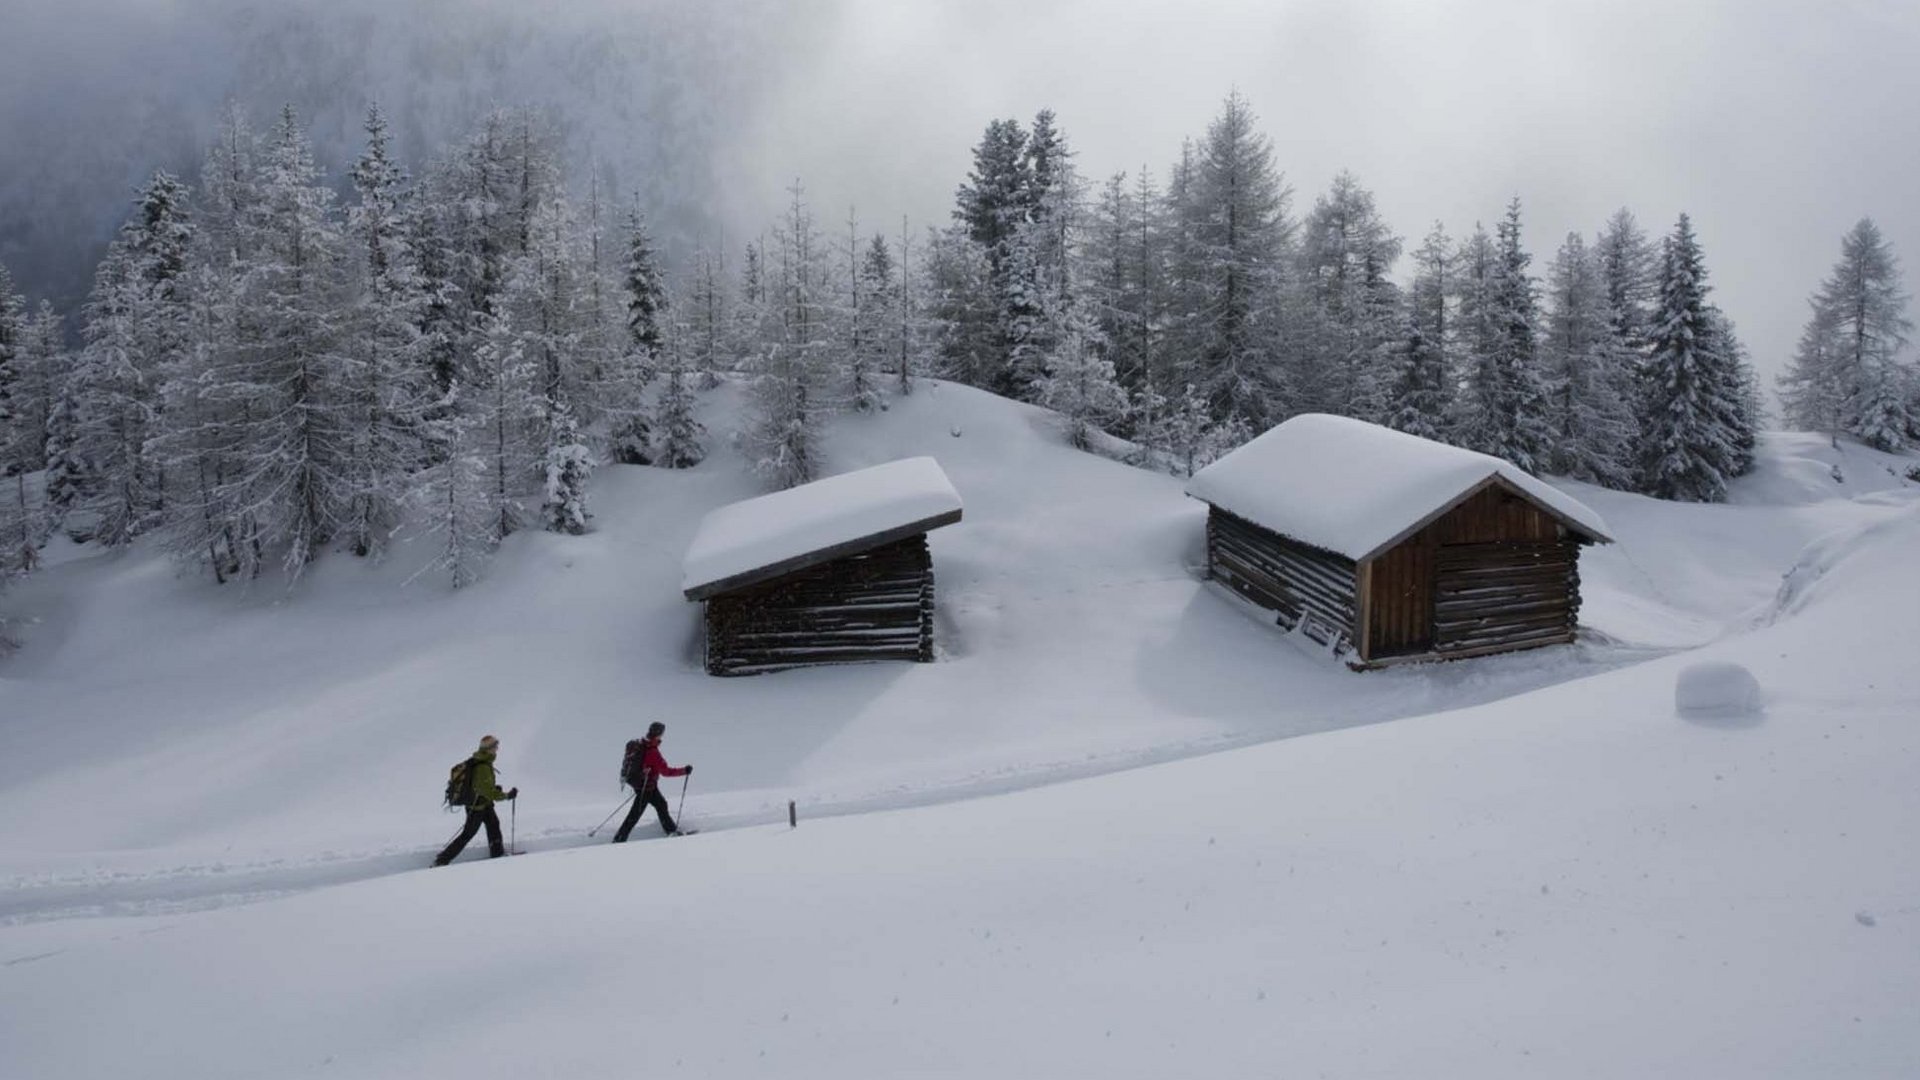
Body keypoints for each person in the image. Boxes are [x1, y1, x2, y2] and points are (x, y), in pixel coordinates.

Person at [434, 734, 519, 866]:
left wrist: (494, 789)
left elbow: (482, 786)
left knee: (494, 826)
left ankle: (497, 853)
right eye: (495, 746)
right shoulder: (482, 766)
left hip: (483, 804)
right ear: (489, 749)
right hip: (477, 807)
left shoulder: (483, 761)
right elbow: (485, 790)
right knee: (467, 835)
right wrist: (506, 795)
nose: (497, 749)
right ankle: (442, 860)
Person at [613, 721, 692, 841]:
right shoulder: (652, 752)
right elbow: (666, 772)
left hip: (647, 786)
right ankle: (619, 839)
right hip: (646, 787)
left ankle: (671, 831)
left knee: (661, 805)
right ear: (659, 734)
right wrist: (684, 771)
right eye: (662, 733)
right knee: (635, 814)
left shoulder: (643, 744)